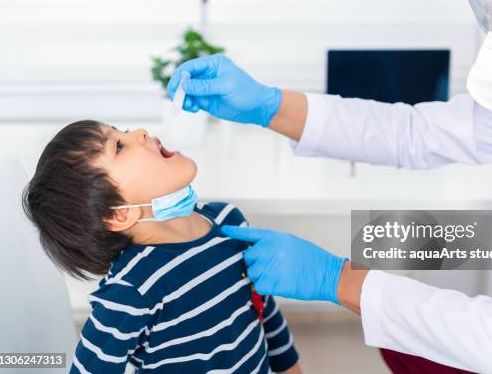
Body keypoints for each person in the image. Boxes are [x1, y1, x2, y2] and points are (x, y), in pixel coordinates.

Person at [166, 0, 492, 372]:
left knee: (399, 264)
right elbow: (417, 132)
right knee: (394, 252)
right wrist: (270, 106)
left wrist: (336, 278)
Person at [22, 120, 302, 374]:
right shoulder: (132, 290)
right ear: (119, 214)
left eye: (124, 130)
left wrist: (290, 367)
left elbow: (262, 307)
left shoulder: (229, 221)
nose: (140, 132)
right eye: (118, 146)